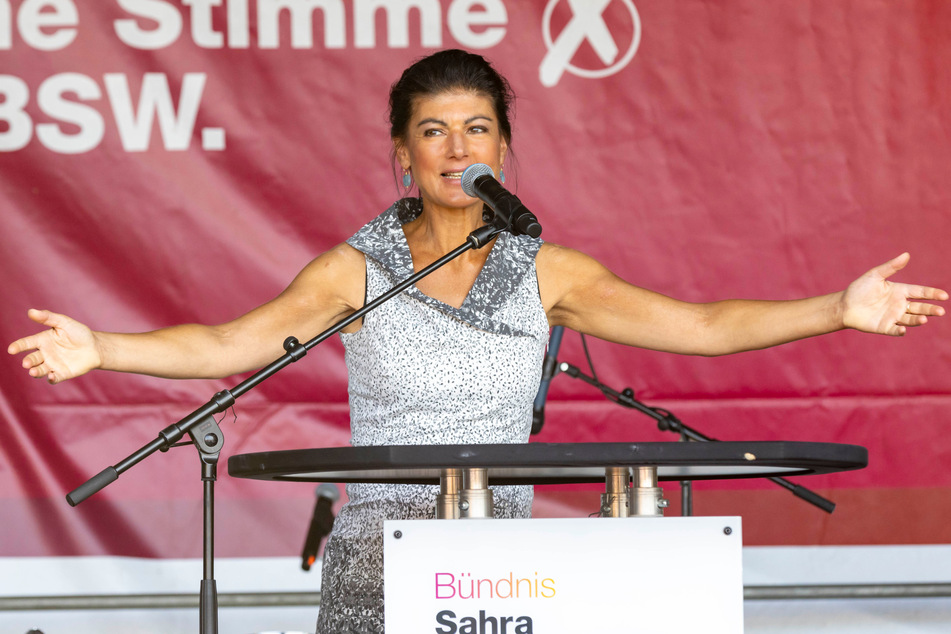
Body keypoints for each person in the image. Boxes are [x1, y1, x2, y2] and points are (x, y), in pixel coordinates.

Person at [7, 49, 948, 632]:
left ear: (504, 150)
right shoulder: (360, 267)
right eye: (434, 133)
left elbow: (700, 328)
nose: (459, 150)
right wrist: (104, 347)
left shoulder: (546, 268)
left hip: (500, 566)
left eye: (477, 129)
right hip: (379, 556)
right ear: (402, 157)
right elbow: (228, 345)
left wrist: (835, 308)